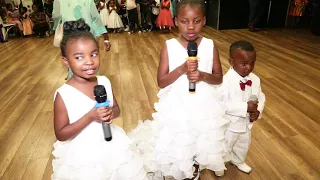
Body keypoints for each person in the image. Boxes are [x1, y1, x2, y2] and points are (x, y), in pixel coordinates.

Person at [129, 0, 230, 179]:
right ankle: (185, 164)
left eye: (196, 21)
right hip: (178, 103)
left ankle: (197, 162)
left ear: (204, 20)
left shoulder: (210, 45)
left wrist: (202, 75)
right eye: (185, 21)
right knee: (181, 136)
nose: (190, 27)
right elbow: (161, 81)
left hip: (204, 103)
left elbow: (218, 77)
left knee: (201, 134)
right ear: (176, 21)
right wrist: (182, 69)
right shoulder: (169, 46)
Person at [51, 19, 147, 180]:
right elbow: (61, 134)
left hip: (111, 144)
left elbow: (116, 109)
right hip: (83, 155)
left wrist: (110, 112)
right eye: (79, 57)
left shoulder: (104, 82)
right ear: (66, 61)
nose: (89, 61)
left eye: (94, 54)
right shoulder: (63, 94)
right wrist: (90, 116)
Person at [218, 40, 266, 173]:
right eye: (244, 64)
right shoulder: (225, 81)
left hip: (246, 123)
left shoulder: (255, 79)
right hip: (230, 124)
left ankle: (238, 160)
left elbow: (261, 97)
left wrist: (257, 110)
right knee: (225, 145)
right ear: (232, 62)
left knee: (243, 144)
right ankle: (219, 164)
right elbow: (222, 104)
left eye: (252, 63)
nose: (249, 67)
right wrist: (245, 107)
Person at [52, 0, 111, 80]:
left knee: (75, 61)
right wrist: (106, 38)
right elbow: (96, 18)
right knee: (90, 62)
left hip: (70, 37)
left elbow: (56, 17)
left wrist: (57, 28)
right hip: (87, 38)